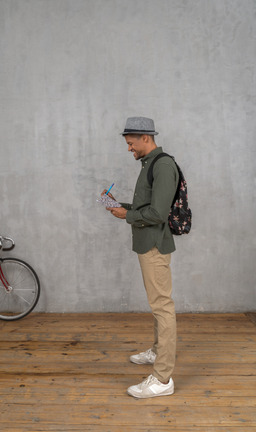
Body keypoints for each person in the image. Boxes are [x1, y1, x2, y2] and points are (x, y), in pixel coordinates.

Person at [102, 117, 179, 398]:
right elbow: (145, 206)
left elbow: (158, 214)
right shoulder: (150, 165)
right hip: (148, 243)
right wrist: (117, 205)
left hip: (155, 245)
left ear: (145, 138)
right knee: (157, 303)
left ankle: (162, 378)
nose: (129, 149)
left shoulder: (163, 165)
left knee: (162, 307)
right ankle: (157, 351)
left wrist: (128, 215)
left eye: (130, 143)